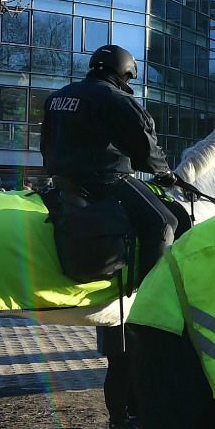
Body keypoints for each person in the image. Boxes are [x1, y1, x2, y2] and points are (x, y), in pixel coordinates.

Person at [40, 43, 179, 284]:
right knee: (165, 222)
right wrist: (164, 171)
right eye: (128, 78)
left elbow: (46, 143)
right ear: (123, 72)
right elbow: (145, 148)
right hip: (106, 181)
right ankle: (150, 298)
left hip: (63, 182)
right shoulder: (115, 98)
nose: (129, 84)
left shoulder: (57, 97)